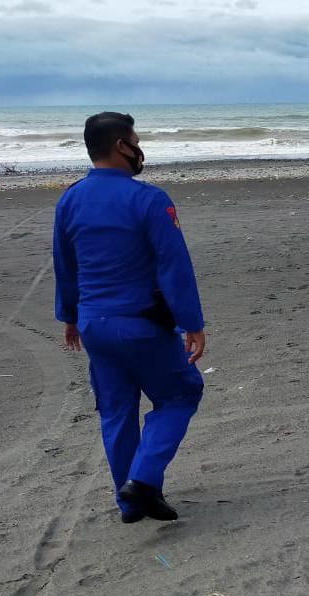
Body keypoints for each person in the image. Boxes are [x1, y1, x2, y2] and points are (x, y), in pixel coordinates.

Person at [53, 111, 207, 523]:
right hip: (140, 324)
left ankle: (131, 502)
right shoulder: (149, 200)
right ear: (122, 146)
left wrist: (69, 317)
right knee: (181, 394)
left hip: (93, 324)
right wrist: (192, 322)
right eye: (135, 140)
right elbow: (174, 266)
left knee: (117, 410)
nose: (140, 148)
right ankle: (142, 481)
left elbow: (65, 265)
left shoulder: (70, 199)